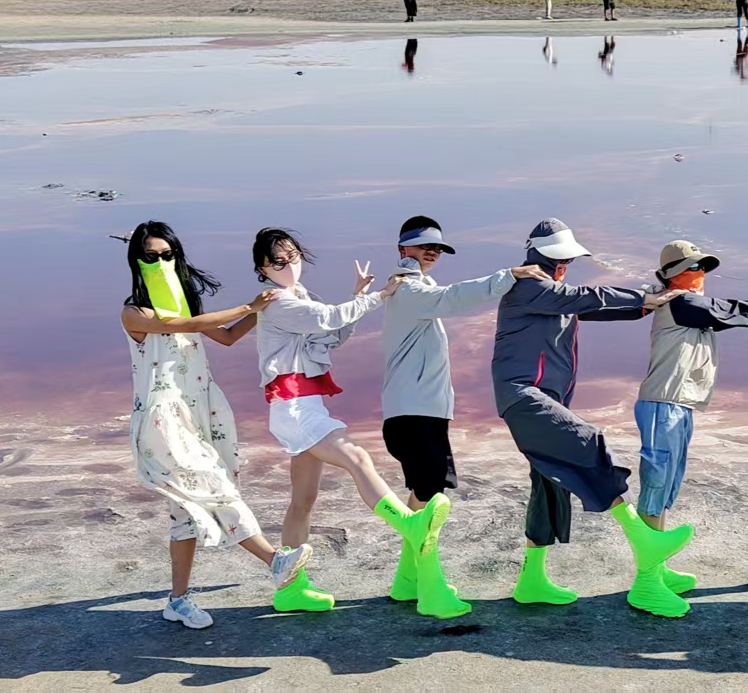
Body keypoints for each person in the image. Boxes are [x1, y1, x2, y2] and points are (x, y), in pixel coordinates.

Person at [492, 219, 695, 617]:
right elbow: (588, 296)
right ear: (539, 257)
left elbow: (595, 307)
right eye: (558, 258)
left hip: (548, 398)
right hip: (523, 396)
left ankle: (531, 581)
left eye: (567, 259)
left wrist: (646, 304)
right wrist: (643, 296)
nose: (564, 264)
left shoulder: (553, 297)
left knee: (549, 484)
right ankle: (642, 539)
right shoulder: (529, 287)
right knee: (587, 440)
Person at [119, 221, 312, 629]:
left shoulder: (187, 307)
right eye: (151, 256)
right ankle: (274, 560)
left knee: (185, 512)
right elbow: (182, 326)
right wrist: (249, 306)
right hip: (163, 420)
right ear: (137, 260)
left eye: (168, 255)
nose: (161, 262)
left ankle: (177, 601)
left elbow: (225, 337)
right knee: (214, 486)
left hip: (201, 412)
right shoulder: (135, 312)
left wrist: (272, 306)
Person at [252, 228, 446, 613]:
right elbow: (329, 317)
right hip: (293, 407)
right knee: (357, 457)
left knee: (302, 501)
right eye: (278, 262)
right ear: (263, 269)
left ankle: (290, 589)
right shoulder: (278, 303)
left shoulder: (301, 297)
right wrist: (379, 295)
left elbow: (333, 334)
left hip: (306, 403)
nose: (288, 267)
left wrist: (359, 296)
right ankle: (409, 524)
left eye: (293, 257)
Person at [379, 217, 549, 618]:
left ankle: (408, 580)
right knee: (432, 501)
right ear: (403, 249)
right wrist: (508, 275)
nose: (432, 252)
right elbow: (454, 298)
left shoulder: (416, 289)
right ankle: (430, 589)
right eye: (424, 246)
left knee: (424, 496)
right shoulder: (410, 289)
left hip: (420, 409)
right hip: (415, 411)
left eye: (438, 248)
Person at [633, 240, 748, 592]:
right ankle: (647, 580)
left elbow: (726, 315)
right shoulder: (681, 304)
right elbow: (729, 310)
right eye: (694, 267)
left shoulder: (688, 305)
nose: (701, 273)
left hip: (679, 405)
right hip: (663, 404)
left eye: (703, 268)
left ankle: (657, 569)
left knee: (666, 489)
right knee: (655, 487)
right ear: (673, 274)